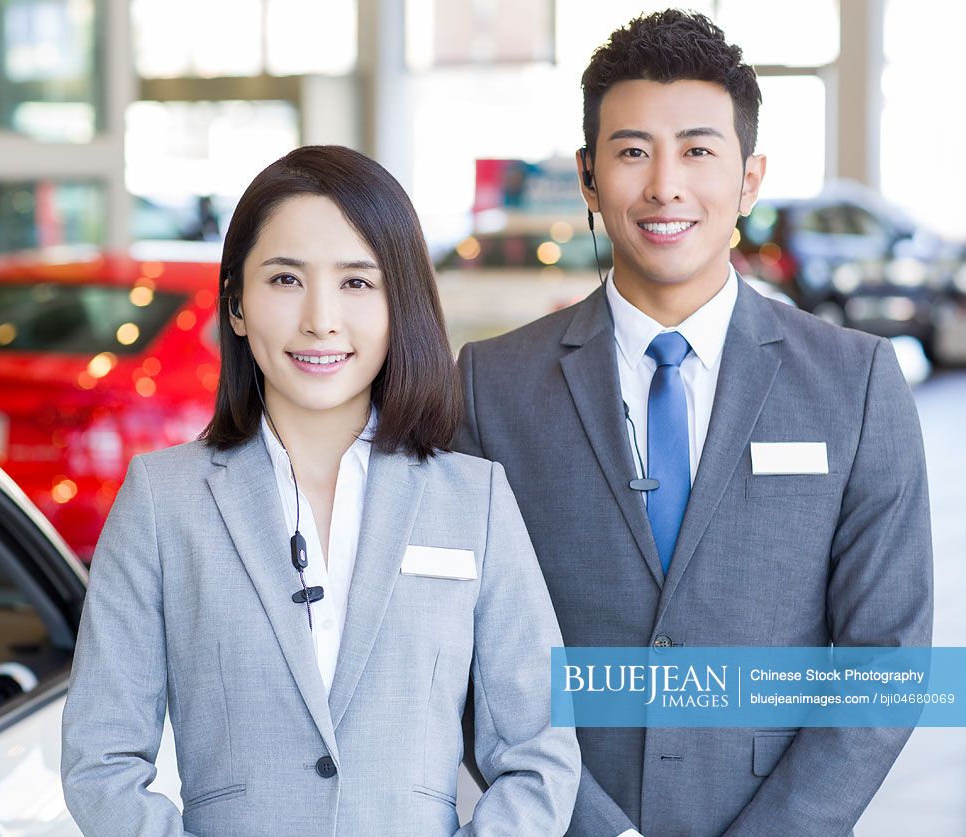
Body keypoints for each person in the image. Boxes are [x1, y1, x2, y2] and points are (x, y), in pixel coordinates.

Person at [454, 10, 932, 837]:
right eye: (632, 151)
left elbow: (884, 657)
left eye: (699, 151)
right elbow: (463, 653)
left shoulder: (854, 382)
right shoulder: (493, 387)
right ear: (588, 177)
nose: (664, 185)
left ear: (748, 180)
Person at [62, 145, 580, 836]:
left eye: (357, 283)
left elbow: (539, 752)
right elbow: (100, 761)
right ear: (237, 306)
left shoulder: (473, 499)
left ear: (400, 306)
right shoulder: (164, 501)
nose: (320, 319)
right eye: (284, 279)